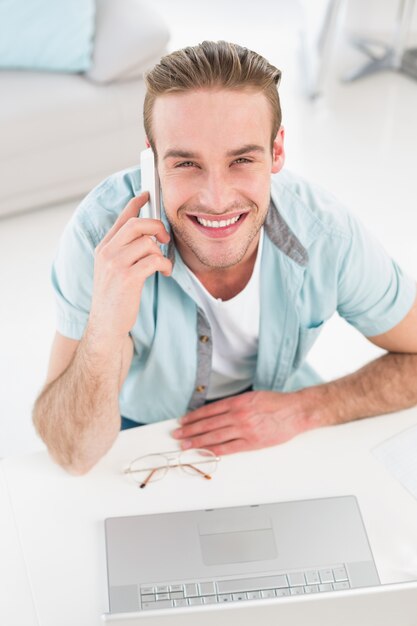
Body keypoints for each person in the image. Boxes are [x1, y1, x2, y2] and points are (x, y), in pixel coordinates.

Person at [33, 41, 417, 475]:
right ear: (152, 159)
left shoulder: (326, 234)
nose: (216, 200)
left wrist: (308, 408)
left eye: (241, 160)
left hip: (278, 412)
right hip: (144, 431)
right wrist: (106, 323)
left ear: (276, 152)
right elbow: (73, 454)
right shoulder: (97, 239)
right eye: (186, 164)